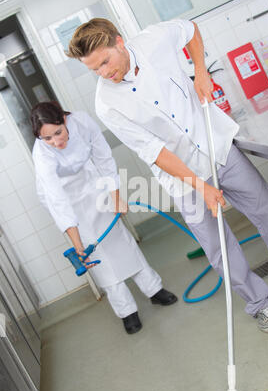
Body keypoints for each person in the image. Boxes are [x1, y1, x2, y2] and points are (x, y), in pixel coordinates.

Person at [66, 18, 268, 333]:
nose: (104, 73)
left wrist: (201, 73)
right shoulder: (107, 104)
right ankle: (259, 305)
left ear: (119, 42)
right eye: (94, 70)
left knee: (266, 210)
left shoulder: (152, 40)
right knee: (217, 246)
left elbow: (190, 29)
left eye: (105, 62)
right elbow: (156, 152)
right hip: (178, 178)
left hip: (217, 146)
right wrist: (200, 186)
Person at [31, 101, 177, 334]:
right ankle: (127, 311)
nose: (56, 142)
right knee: (98, 254)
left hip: (92, 182)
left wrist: (116, 197)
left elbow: (104, 160)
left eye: (58, 133)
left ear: (64, 120)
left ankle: (154, 290)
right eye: (47, 139)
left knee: (120, 239)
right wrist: (78, 246)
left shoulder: (82, 122)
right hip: (67, 198)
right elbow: (57, 200)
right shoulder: (41, 154)